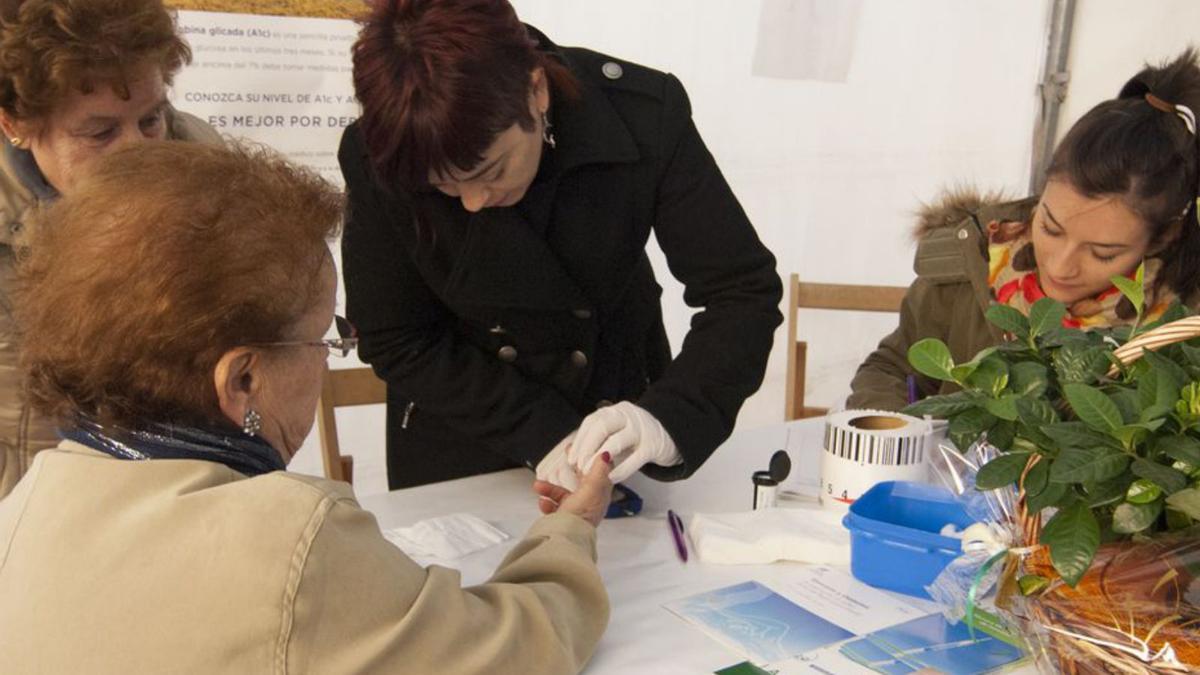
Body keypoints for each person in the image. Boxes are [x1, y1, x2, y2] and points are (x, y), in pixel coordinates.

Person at [0, 141, 612, 675]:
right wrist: (569, 532)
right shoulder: (288, 535)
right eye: (324, 338)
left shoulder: (23, 508)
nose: (329, 359)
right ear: (241, 377)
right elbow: (518, 648)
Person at [341, 0, 782, 490]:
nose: (471, 202)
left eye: (490, 172)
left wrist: (668, 417)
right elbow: (396, 336)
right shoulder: (379, 154)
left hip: (617, 422)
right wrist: (543, 431)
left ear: (536, 90)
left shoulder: (641, 114)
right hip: (467, 432)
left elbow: (741, 291)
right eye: (442, 186)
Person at [849, 49, 1200, 411]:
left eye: (1102, 253)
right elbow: (891, 367)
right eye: (1049, 226)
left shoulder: (1183, 330)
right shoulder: (969, 266)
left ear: (1164, 236)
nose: (1062, 266)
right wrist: (894, 434)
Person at [0, 0, 221, 497]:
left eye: (151, 120)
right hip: (28, 506)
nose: (137, 152)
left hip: (180, 487)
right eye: (100, 132)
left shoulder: (205, 167)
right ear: (15, 125)